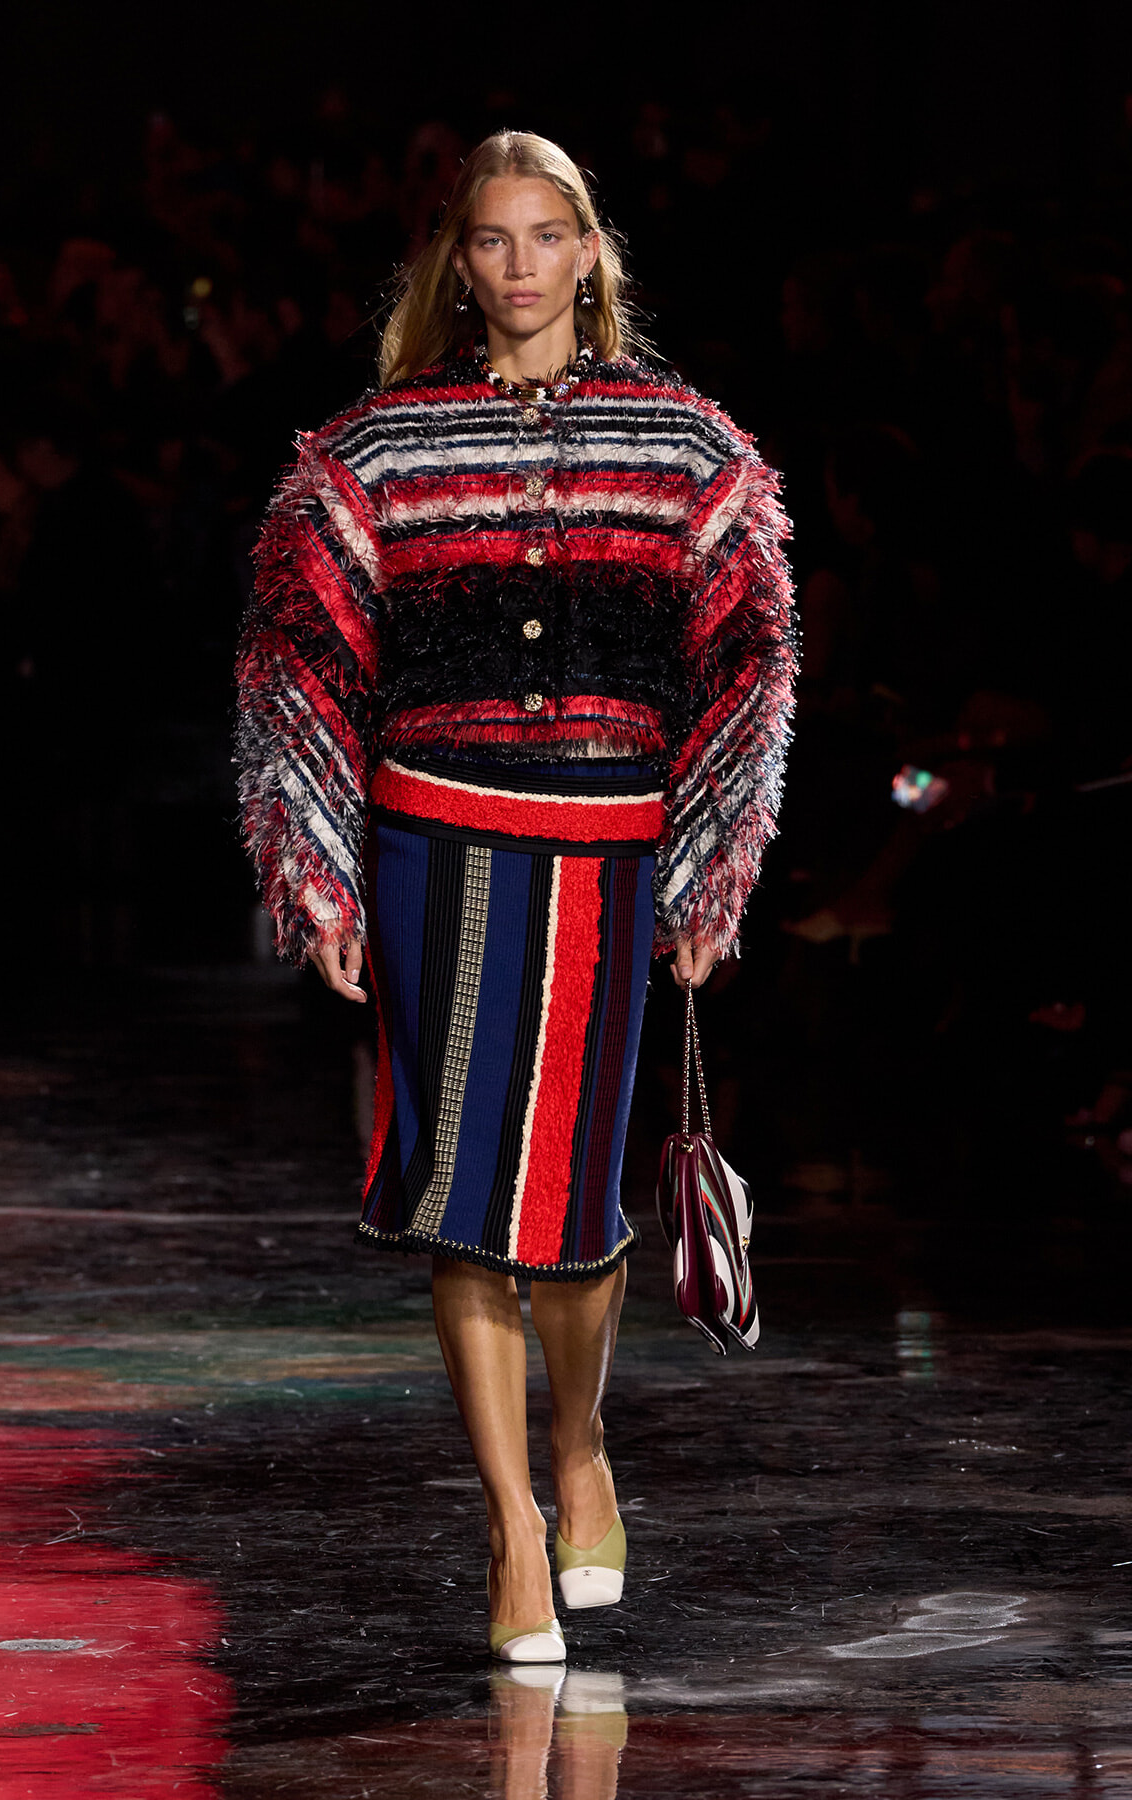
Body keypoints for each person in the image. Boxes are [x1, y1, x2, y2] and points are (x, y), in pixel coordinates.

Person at [235, 130, 794, 1662]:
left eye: (552, 235)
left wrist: (712, 862)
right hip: (435, 844)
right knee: (462, 1202)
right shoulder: (374, 451)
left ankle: (580, 1445)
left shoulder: (684, 446)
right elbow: (300, 658)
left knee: (576, 1204)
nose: (525, 264)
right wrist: (318, 872)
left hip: (612, 853)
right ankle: (509, 1535)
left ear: (592, 253)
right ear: (457, 264)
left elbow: (752, 647)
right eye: (496, 238)